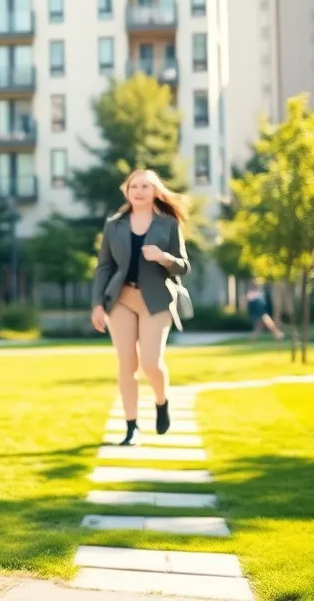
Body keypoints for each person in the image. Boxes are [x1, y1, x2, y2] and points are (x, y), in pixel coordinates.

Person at [90, 169, 192, 447]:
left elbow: (184, 265)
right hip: (120, 299)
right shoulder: (114, 225)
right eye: (133, 186)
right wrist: (97, 304)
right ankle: (131, 427)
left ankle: (161, 401)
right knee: (127, 364)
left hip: (156, 300)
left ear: (155, 192)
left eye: (145, 186)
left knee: (150, 362)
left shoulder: (168, 224)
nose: (138, 190)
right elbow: (104, 267)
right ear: (127, 191)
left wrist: (164, 257)